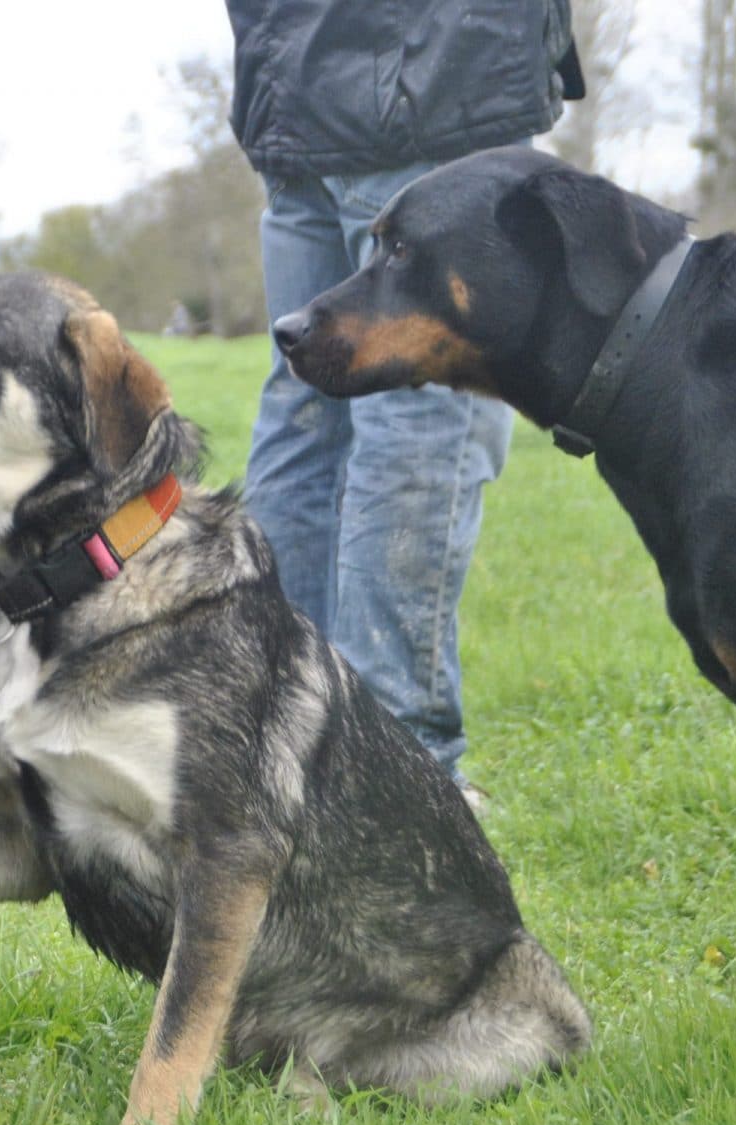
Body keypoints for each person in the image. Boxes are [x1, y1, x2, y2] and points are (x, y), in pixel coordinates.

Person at [224, 0, 583, 800]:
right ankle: (392, 778)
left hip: (291, 81)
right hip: (434, 73)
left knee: (303, 405)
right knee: (425, 401)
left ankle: (272, 737)